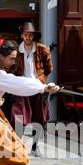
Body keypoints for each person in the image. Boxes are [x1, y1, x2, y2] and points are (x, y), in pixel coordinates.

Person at [13, 22, 53, 155]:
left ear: (34, 36)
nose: (28, 37)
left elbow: (49, 68)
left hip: (37, 88)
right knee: (19, 117)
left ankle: (35, 147)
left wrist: (41, 81)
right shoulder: (18, 50)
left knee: (39, 118)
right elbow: (14, 68)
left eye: (30, 35)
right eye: (25, 35)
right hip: (22, 87)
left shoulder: (42, 49)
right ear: (22, 36)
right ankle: (19, 147)